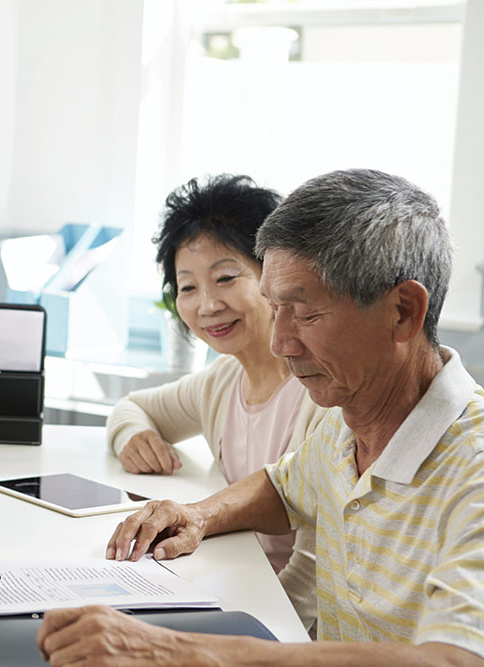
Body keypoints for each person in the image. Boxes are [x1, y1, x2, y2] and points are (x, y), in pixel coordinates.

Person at [38, 169, 484, 665]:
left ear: (402, 311)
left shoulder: (473, 468)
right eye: (276, 309)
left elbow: (457, 660)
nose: (280, 343)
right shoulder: (347, 417)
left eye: (307, 315)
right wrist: (198, 515)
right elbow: (284, 487)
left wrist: (186, 652)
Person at [106, 174, 327, 628]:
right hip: (231, 587)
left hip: (285, 623)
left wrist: (242, 634)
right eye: (187, 287)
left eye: (226, 277)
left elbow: (316, 569)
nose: (206, 305)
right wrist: (134, 434)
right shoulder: (222, 381)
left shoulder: (322, 391)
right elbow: (132, 407)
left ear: (276, 275)